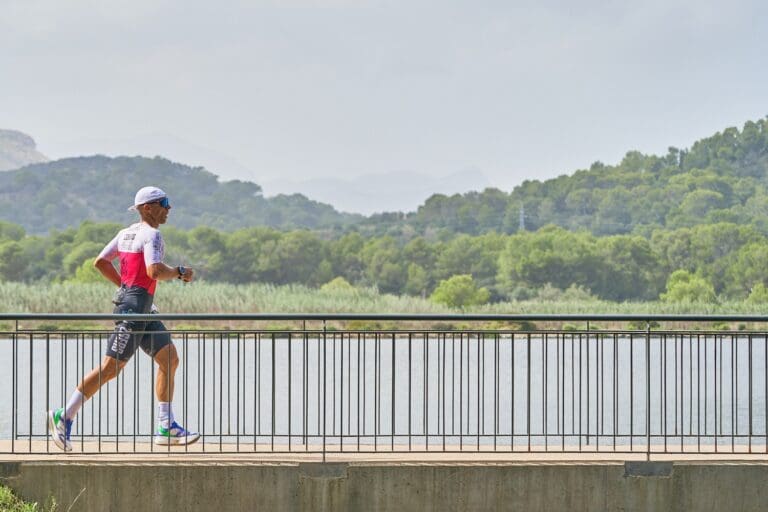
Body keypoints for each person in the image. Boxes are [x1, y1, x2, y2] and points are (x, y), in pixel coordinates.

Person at [47, 186, 199, 452]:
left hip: (142, 309)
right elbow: (153, 271)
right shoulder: (152, 235)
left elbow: (100, 262)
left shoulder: (125, 233)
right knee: (111, 368)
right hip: (133, 312)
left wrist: (124, 286)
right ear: (147, 208)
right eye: (164, 203)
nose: (169, 208)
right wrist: (179, 272)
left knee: (169, 359)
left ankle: (166, 426)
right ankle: (65, 415)